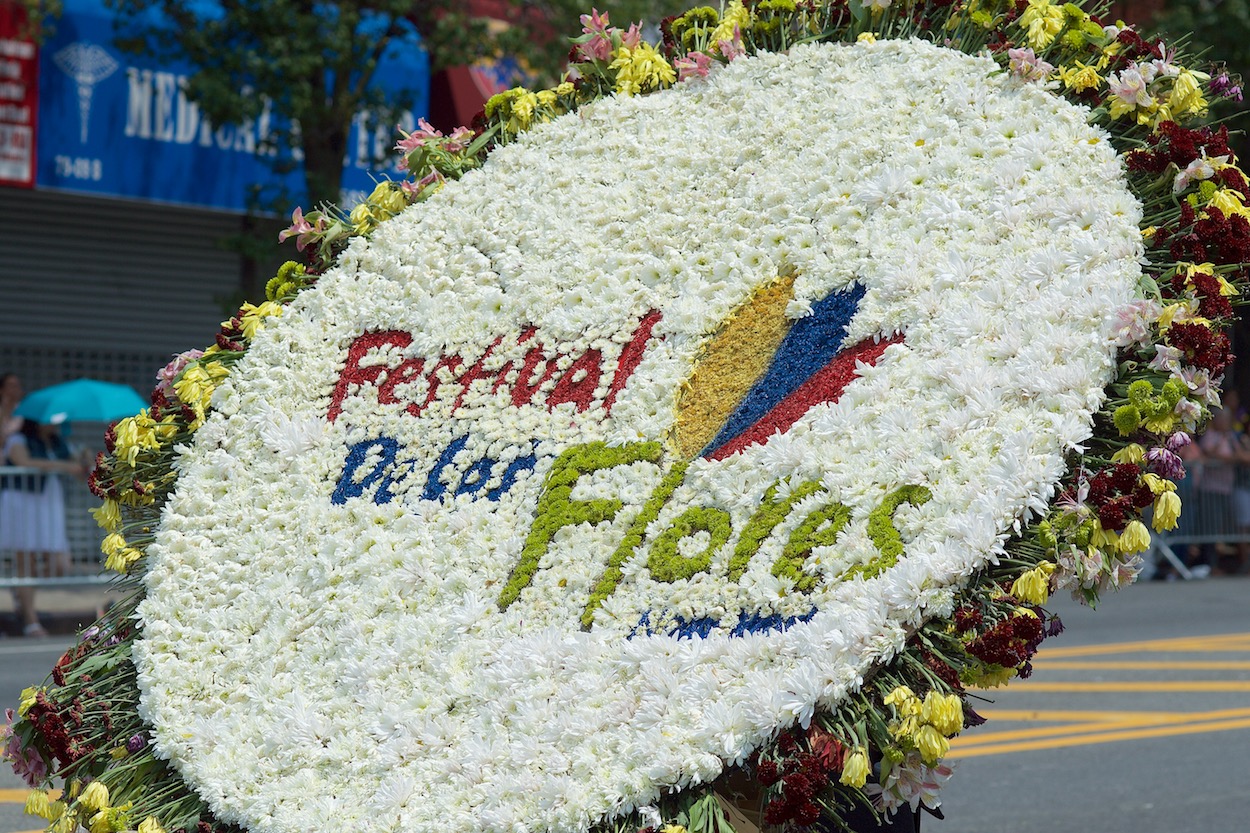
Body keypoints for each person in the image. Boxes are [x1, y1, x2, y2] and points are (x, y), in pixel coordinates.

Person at [0, 419, 88, 636]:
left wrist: (84, 459)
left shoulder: (59, 444)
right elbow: (23, 461)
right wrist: (64, 466)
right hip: (23, 503)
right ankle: (31, 622)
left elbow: (79, 474)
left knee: (60, 564)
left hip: (48, 505)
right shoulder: (19, 440)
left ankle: (21, 590)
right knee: (26, 563)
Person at [0, 373, 22, 449]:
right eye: (11, 385)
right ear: (1, 390)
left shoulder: (24, 411)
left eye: (17, 386)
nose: (14, 389)